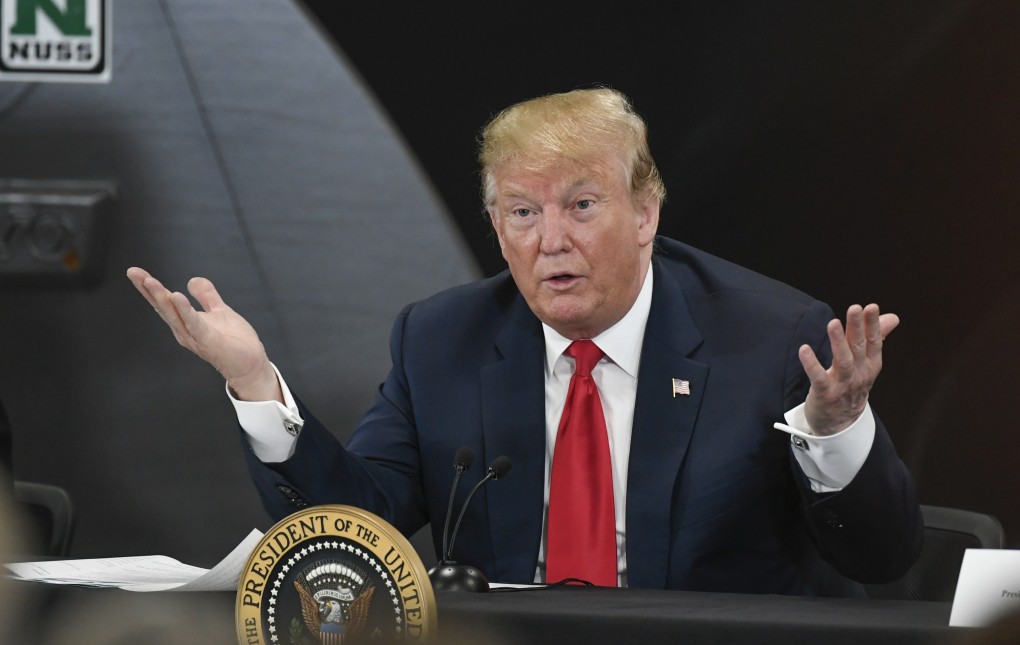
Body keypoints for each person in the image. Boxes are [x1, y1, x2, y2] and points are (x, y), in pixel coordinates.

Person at [127, 87, 922, 596]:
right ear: (495, 226)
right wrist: (258, 386)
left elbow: (881, 560)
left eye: (581, 205)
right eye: (522, 212)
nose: (550, 242)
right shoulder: (441, 340)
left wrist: (838, 430)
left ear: (645, 214)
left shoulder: (770, 337)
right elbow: (355, 525)